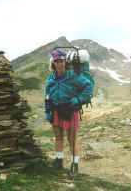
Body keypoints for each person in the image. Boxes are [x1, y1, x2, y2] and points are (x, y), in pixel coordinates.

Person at [44, 48, 93, 176]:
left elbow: (89, 86)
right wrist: (47, 111)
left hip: (71, 110)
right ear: (53, 63)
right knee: (58, 137)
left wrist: (79, 99)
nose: (59, 63)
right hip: (56, 110)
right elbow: (47, 96)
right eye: (57, 61)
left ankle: (74, 165)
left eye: (61, 61)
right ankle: (58, 161)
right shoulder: (51, 79)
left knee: (72, 139)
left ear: (65, 62)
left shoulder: (74, 76)